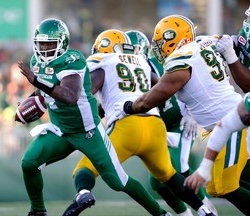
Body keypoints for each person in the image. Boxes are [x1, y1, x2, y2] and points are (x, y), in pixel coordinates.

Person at [17, 18, 175, 216]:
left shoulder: (73, 59)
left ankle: (161, 213)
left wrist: (37, 81)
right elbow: (43, 93)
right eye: (41, 43)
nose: (45, 48)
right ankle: (38, 211)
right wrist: (27, 106)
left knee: (118, 182)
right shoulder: (36, 63)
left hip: (88, 131)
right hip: (61, 130)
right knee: (29, 163)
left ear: (62, 43)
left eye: (50, 43)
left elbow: (70, 96)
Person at [62, 29, 216, 216]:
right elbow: (160, 88)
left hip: (127, 127)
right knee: (169, 175)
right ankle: (203, 210)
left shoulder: (104, 62)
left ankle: (84, 193)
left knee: (84, 168)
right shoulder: (142, 61)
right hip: (155, 126)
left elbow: (87, 93)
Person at [114, 14, 250, 215]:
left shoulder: (182, 60)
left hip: (232, 125)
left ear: (174, 39)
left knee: (220, 187)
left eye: (162, 43)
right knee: (240, 179)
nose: (158, 48)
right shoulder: (203, 43)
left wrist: (128, 107)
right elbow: (224, 41)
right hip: (226, 124)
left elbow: (150, 100)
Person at [126, 30, 217, 216]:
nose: (127, 60)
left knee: (178, 167)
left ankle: (207, 208)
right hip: (159, 127)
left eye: (130, 54)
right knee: (156, 181)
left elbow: (188, 85)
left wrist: (191, 113)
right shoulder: (122, 77)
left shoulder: (161, 63)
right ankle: (185, 214)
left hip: (179, 121)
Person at [185, 92, 250, 193]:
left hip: (226, 115)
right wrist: (205, 166)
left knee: (225, 186)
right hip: (228, 121)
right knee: (214, 189)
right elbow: (225, 126)